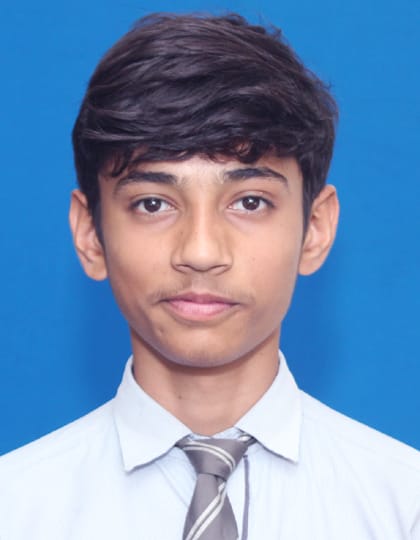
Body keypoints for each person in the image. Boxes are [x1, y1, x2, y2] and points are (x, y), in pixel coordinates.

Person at [0, 12, 419, 540]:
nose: (200, 252)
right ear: (90, 233)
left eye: (250, 202)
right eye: (153, 203)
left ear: (314, 229)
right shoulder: (15, 511)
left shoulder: (403, 507)